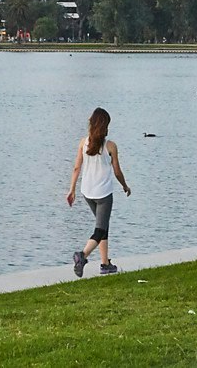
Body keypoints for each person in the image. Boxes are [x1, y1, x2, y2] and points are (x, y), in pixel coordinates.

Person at [65, 106, 131, 276]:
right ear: (104, 126)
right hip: (103, 194)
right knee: (100, 229)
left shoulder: (83, 143)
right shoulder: (110, 146)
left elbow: (76, 168)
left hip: (87, 192)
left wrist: (71, 190)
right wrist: (125, 186)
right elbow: (117, 171)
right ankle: (82, 255)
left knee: (102, 225)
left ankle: (105, 263)